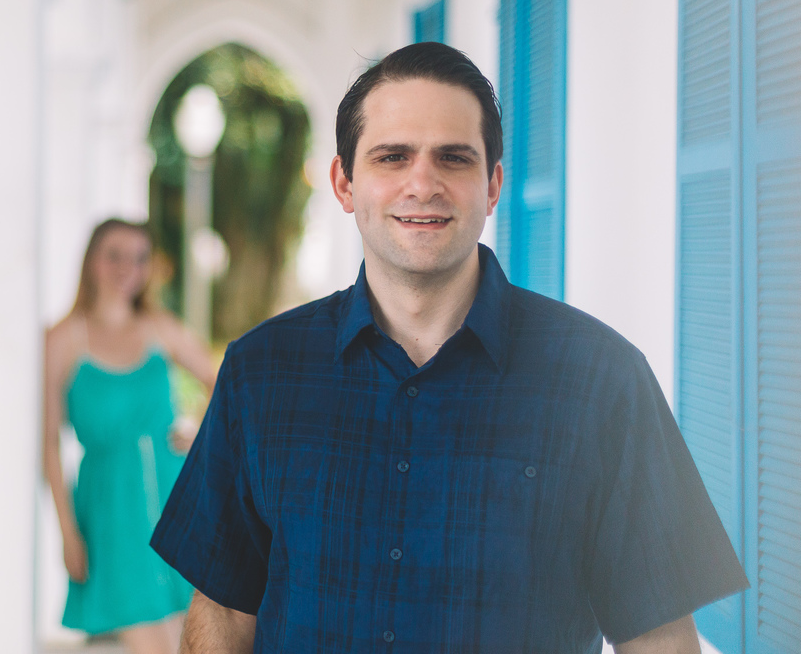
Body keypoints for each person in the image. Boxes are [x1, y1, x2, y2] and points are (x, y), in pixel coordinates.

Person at [150, 43, 749, 654]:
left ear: (491, 186)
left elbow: (658, 636)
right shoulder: (260, 373)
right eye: (392, 157)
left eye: (453, 158)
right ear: (344, 183)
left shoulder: (602, 379)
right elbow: (223, 613)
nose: (423, 184)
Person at [44, 218, 217, 654]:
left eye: (139, 258)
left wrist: (202, 433)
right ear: (92, 261)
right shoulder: (63, 339)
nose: (128, 268)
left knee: (193, 641)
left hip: (174, 495)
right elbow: (47, 444)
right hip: (110, 509)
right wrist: (67, 532)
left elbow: (223, 381)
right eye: (115, 256)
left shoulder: (158, 327)